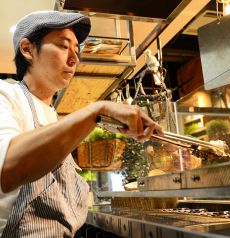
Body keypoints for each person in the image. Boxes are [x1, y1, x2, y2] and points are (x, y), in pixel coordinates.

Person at [0, 10, 163, 237]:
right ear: (27, 49)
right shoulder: (6, 95)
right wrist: (96, 110)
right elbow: (8, 169)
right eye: (63, 46)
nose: (74, 58)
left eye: (77, 50)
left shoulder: (53, 117)